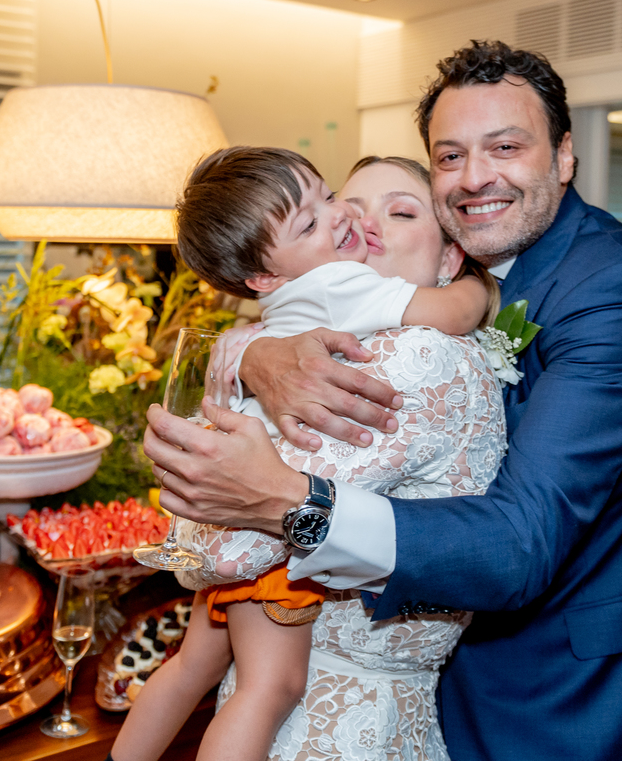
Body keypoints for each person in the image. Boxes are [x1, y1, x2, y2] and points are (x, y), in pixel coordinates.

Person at [143, 40, 622, 760]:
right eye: (450, 156)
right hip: (405, 656)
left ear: (563, 156)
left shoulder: (616, 292)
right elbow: (294, 304)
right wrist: (255, 352)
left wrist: (289, 503)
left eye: (506, 146)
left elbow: (522, 542)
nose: (475, 177)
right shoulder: (415, 279)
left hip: (545, 681)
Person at [111, 148, 497, 761]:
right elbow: (455, 310)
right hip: (268, 556)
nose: (357, 221)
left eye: (399, 212)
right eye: (339, 207)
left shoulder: (394, 344)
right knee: (268, 688)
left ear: (450, 253)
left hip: (265, 561)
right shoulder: (348, 291)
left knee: (193, 668)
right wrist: (483, 283)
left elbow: (217, 542)